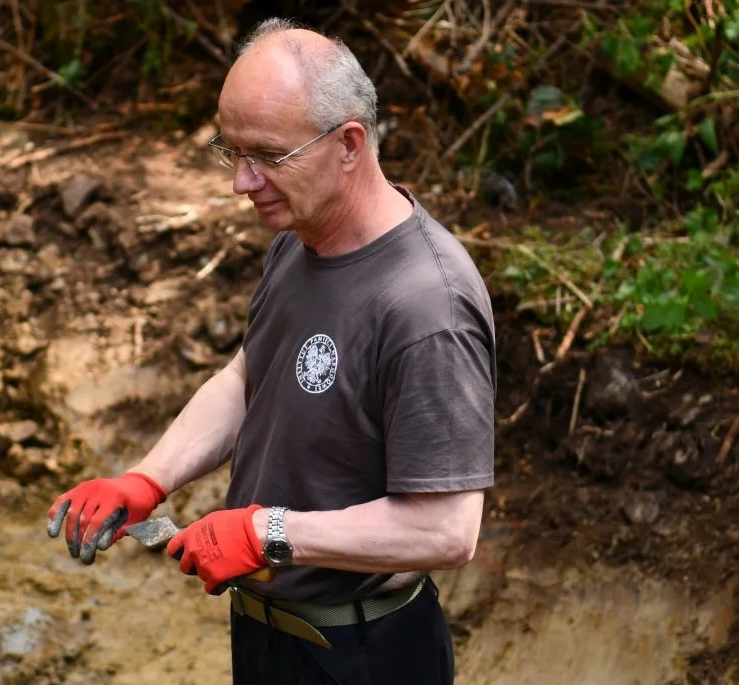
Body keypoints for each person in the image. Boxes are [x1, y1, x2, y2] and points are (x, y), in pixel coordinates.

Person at [47, 17, 496, 685]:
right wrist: (148, 479)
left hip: (365, 653)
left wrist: (268, 534)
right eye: (230, 151)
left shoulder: (427, 303)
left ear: (349, 144)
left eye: (266, 155)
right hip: (268, 636)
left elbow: (445, 530)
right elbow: (248, 376)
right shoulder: (300, 236)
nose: (241, 182)